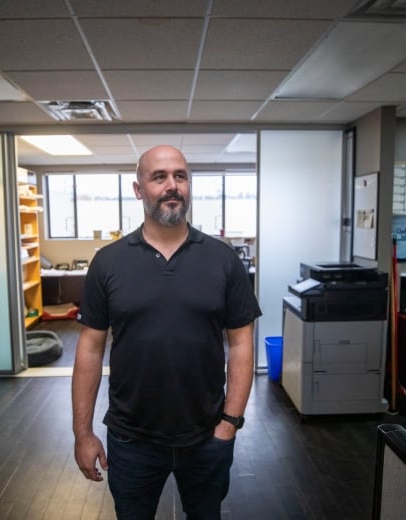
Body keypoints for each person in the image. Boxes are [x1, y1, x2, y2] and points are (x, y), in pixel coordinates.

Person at [71, 144, 262, 519]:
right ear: (138, 189)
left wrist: (230, 423)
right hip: (130, 440)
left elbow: (242, 345)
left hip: (207, 436)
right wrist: (83, 433)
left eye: (181, 176)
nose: (172, 185)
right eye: (159, 177)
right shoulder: (108, 262)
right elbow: (90, 350)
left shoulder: (223, 260)